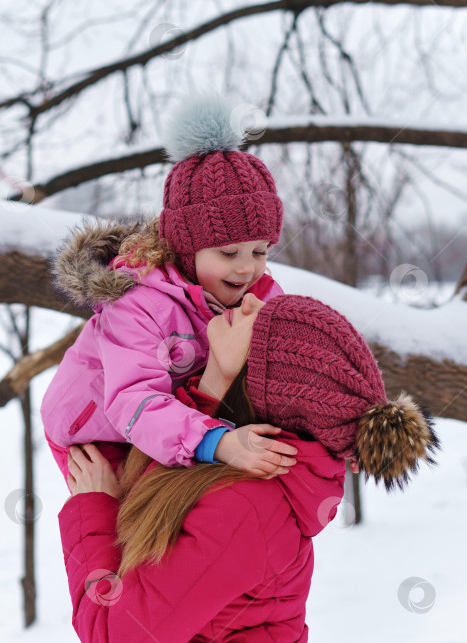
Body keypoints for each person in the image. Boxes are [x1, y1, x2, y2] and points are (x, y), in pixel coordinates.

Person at [59, 292, 440, 642]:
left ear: (254, 381)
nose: (251, 299)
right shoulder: (237, 466)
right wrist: (214, 382)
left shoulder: (245, 507)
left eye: (260, 326)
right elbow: (179, 463)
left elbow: (119, 634)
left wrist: (92, 508)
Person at [41, 94, 296, 485]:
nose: (247, 267)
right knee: (138, 533)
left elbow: (294, 365)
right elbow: (133, 399)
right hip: (97, 433)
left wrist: (339, 430)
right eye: (228, 252)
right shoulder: (139, 302)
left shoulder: (259, 296)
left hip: (178, 416)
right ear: (186, 249)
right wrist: (219, 442)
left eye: (260, 251)